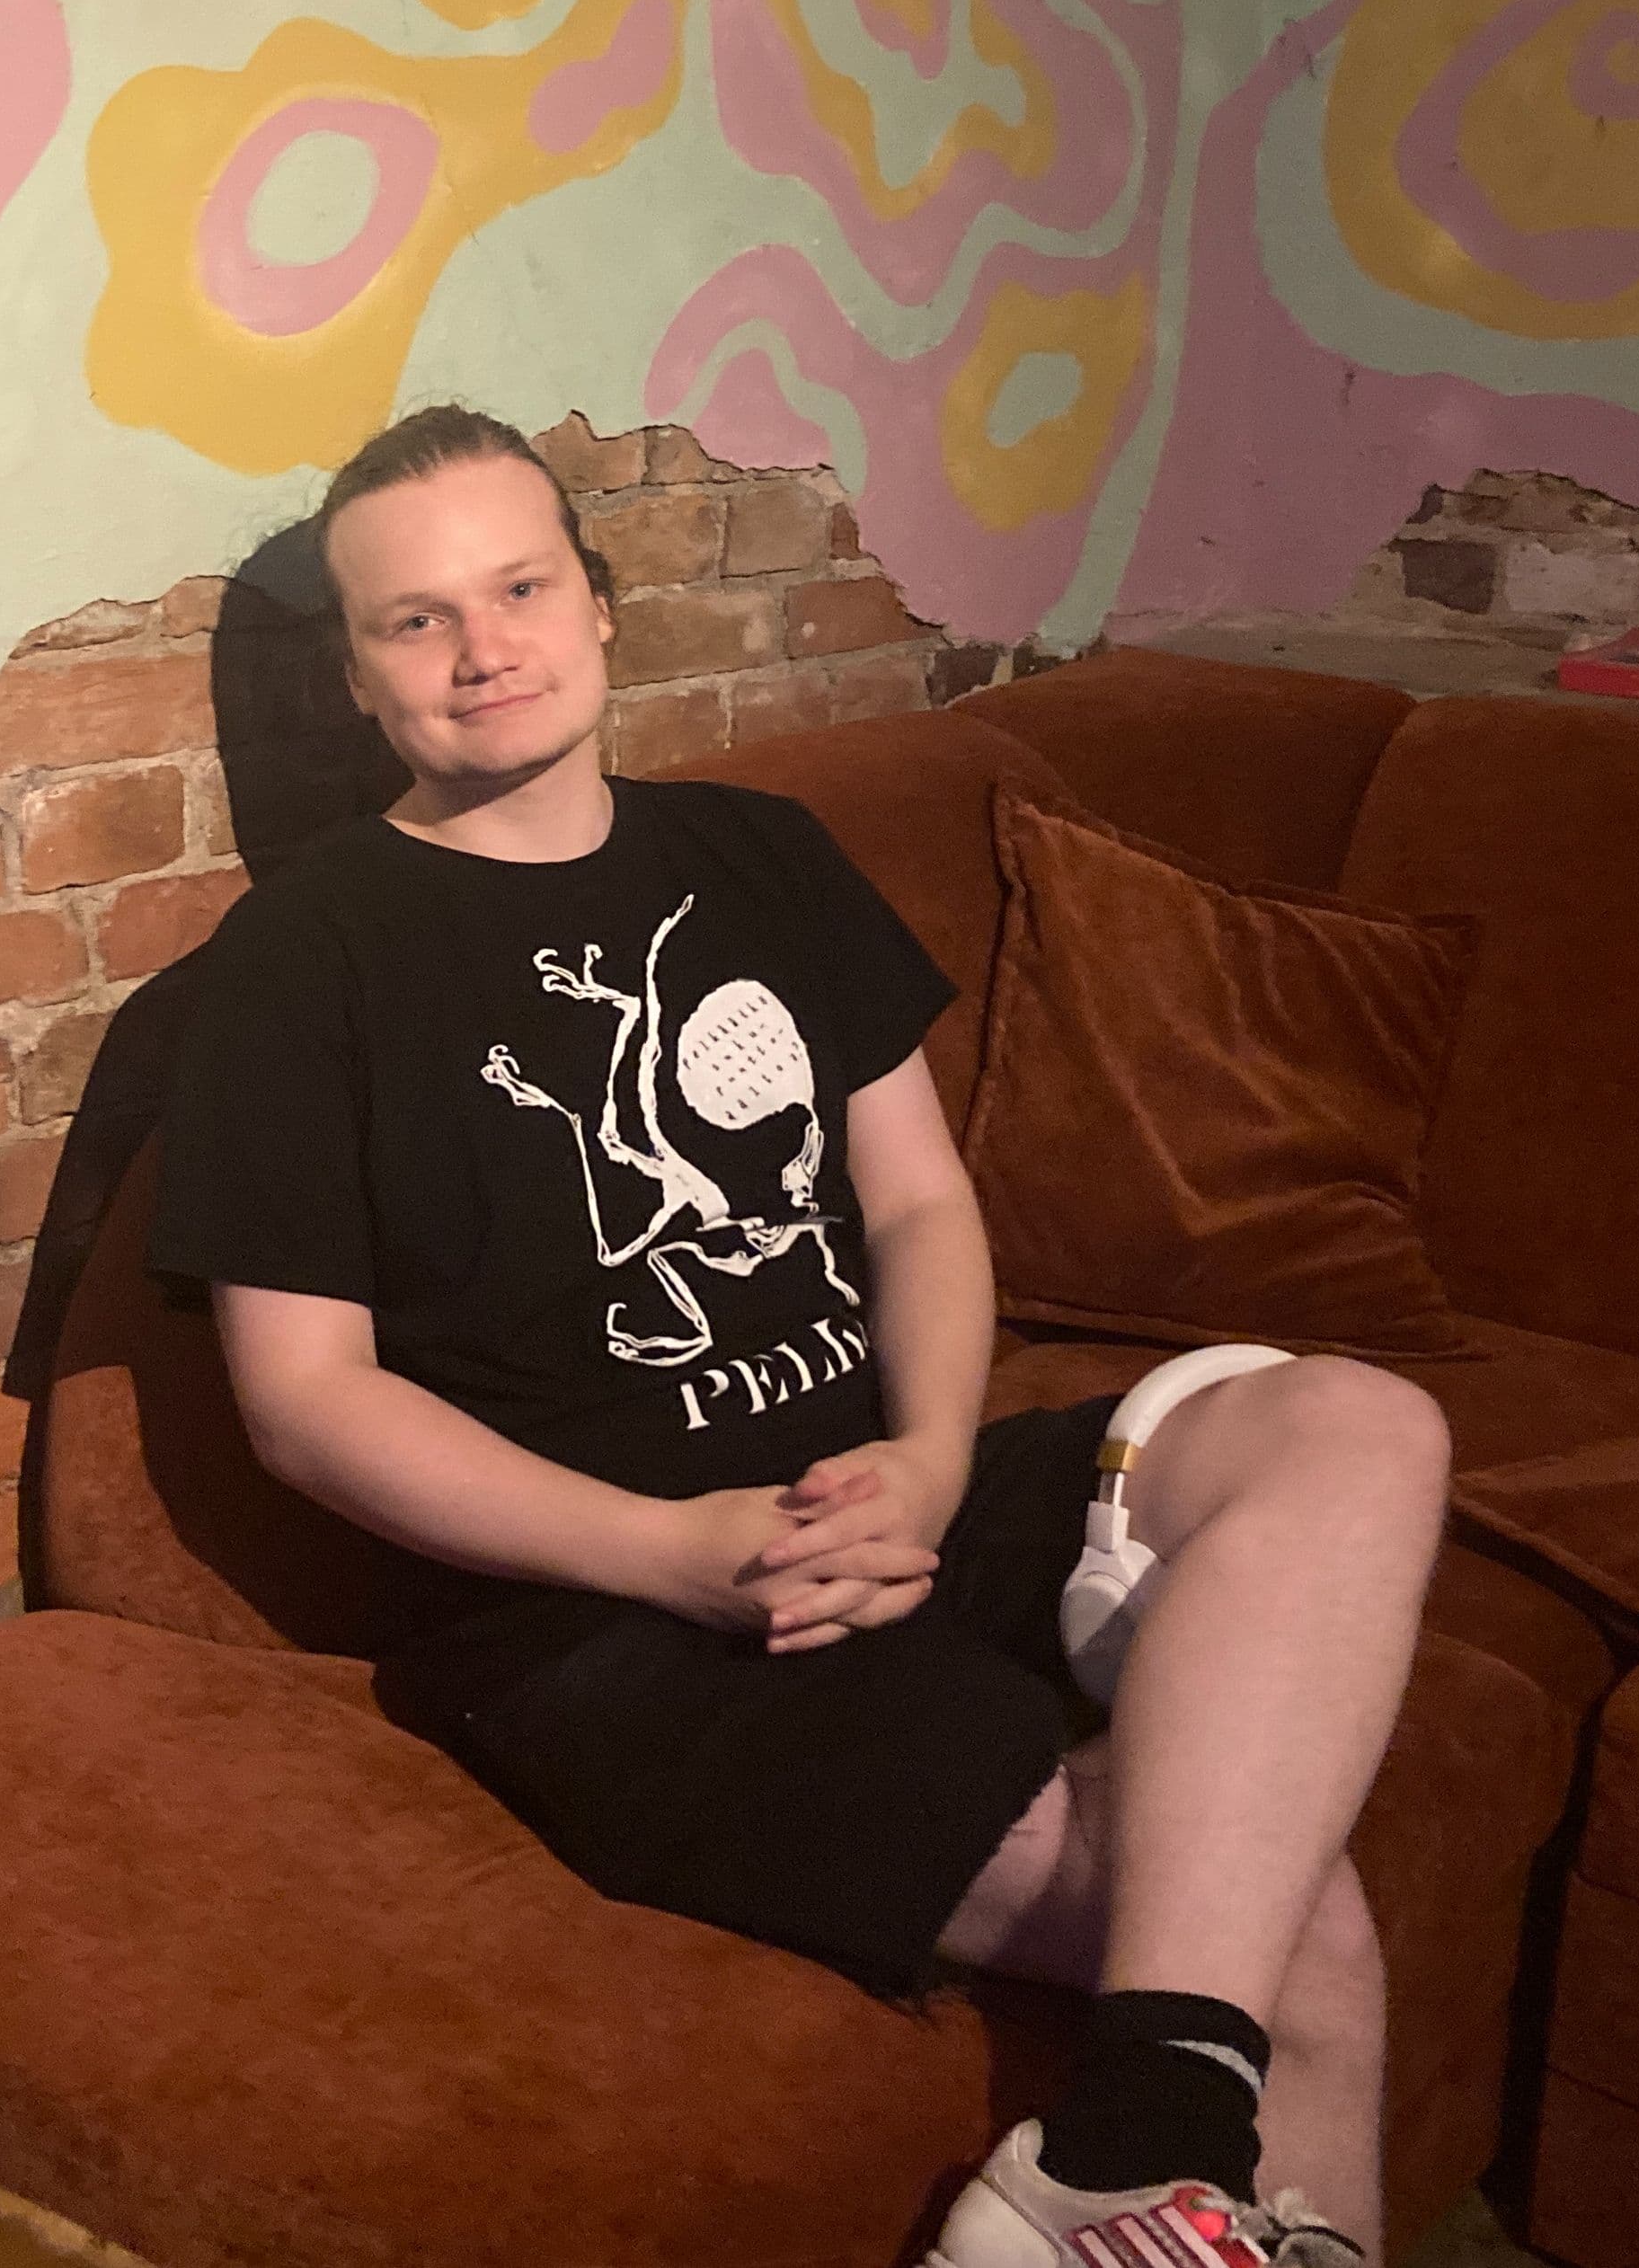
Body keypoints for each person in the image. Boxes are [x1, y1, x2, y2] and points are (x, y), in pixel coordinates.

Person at [151, 406, 1451, 2268]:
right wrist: (670, 1549)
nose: (482, 648)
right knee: (1290, 1931)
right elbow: (303, 1401)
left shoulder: (758, 855)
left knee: (1361, 1425)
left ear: (599, 606)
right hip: (600, 1615)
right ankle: (1151, 2162)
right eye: (414, 621)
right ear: (359, 679)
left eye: (520, 589)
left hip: (889, 1487)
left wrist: (929, 1458)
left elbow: (915, 1203)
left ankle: (1133, 2148)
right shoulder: (301, 961)